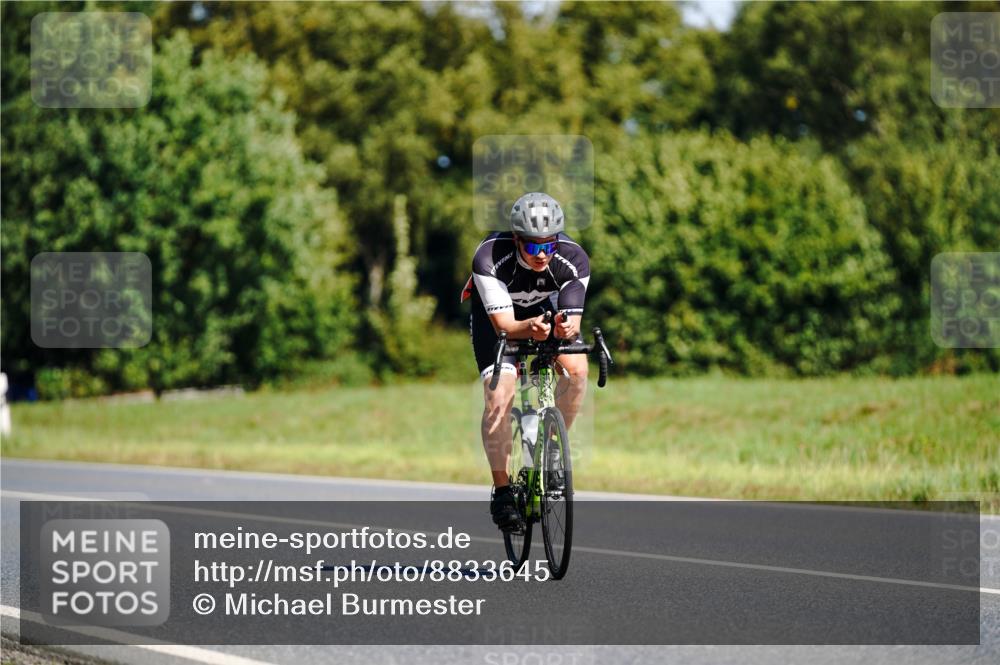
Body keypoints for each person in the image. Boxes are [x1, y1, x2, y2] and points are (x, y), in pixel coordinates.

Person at [460, 192, 590, 531]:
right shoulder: (490, 256)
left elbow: (573, 322)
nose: (542, 254)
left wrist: (564, 327)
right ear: (517, 239)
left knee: (577, 371)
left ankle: (553, 452)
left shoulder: (573, 258)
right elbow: (504, 326)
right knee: (499, 396)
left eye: (550, 245)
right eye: (533, 246)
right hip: (498, 323)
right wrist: (528, 328)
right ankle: (503, 492)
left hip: (542, 315)